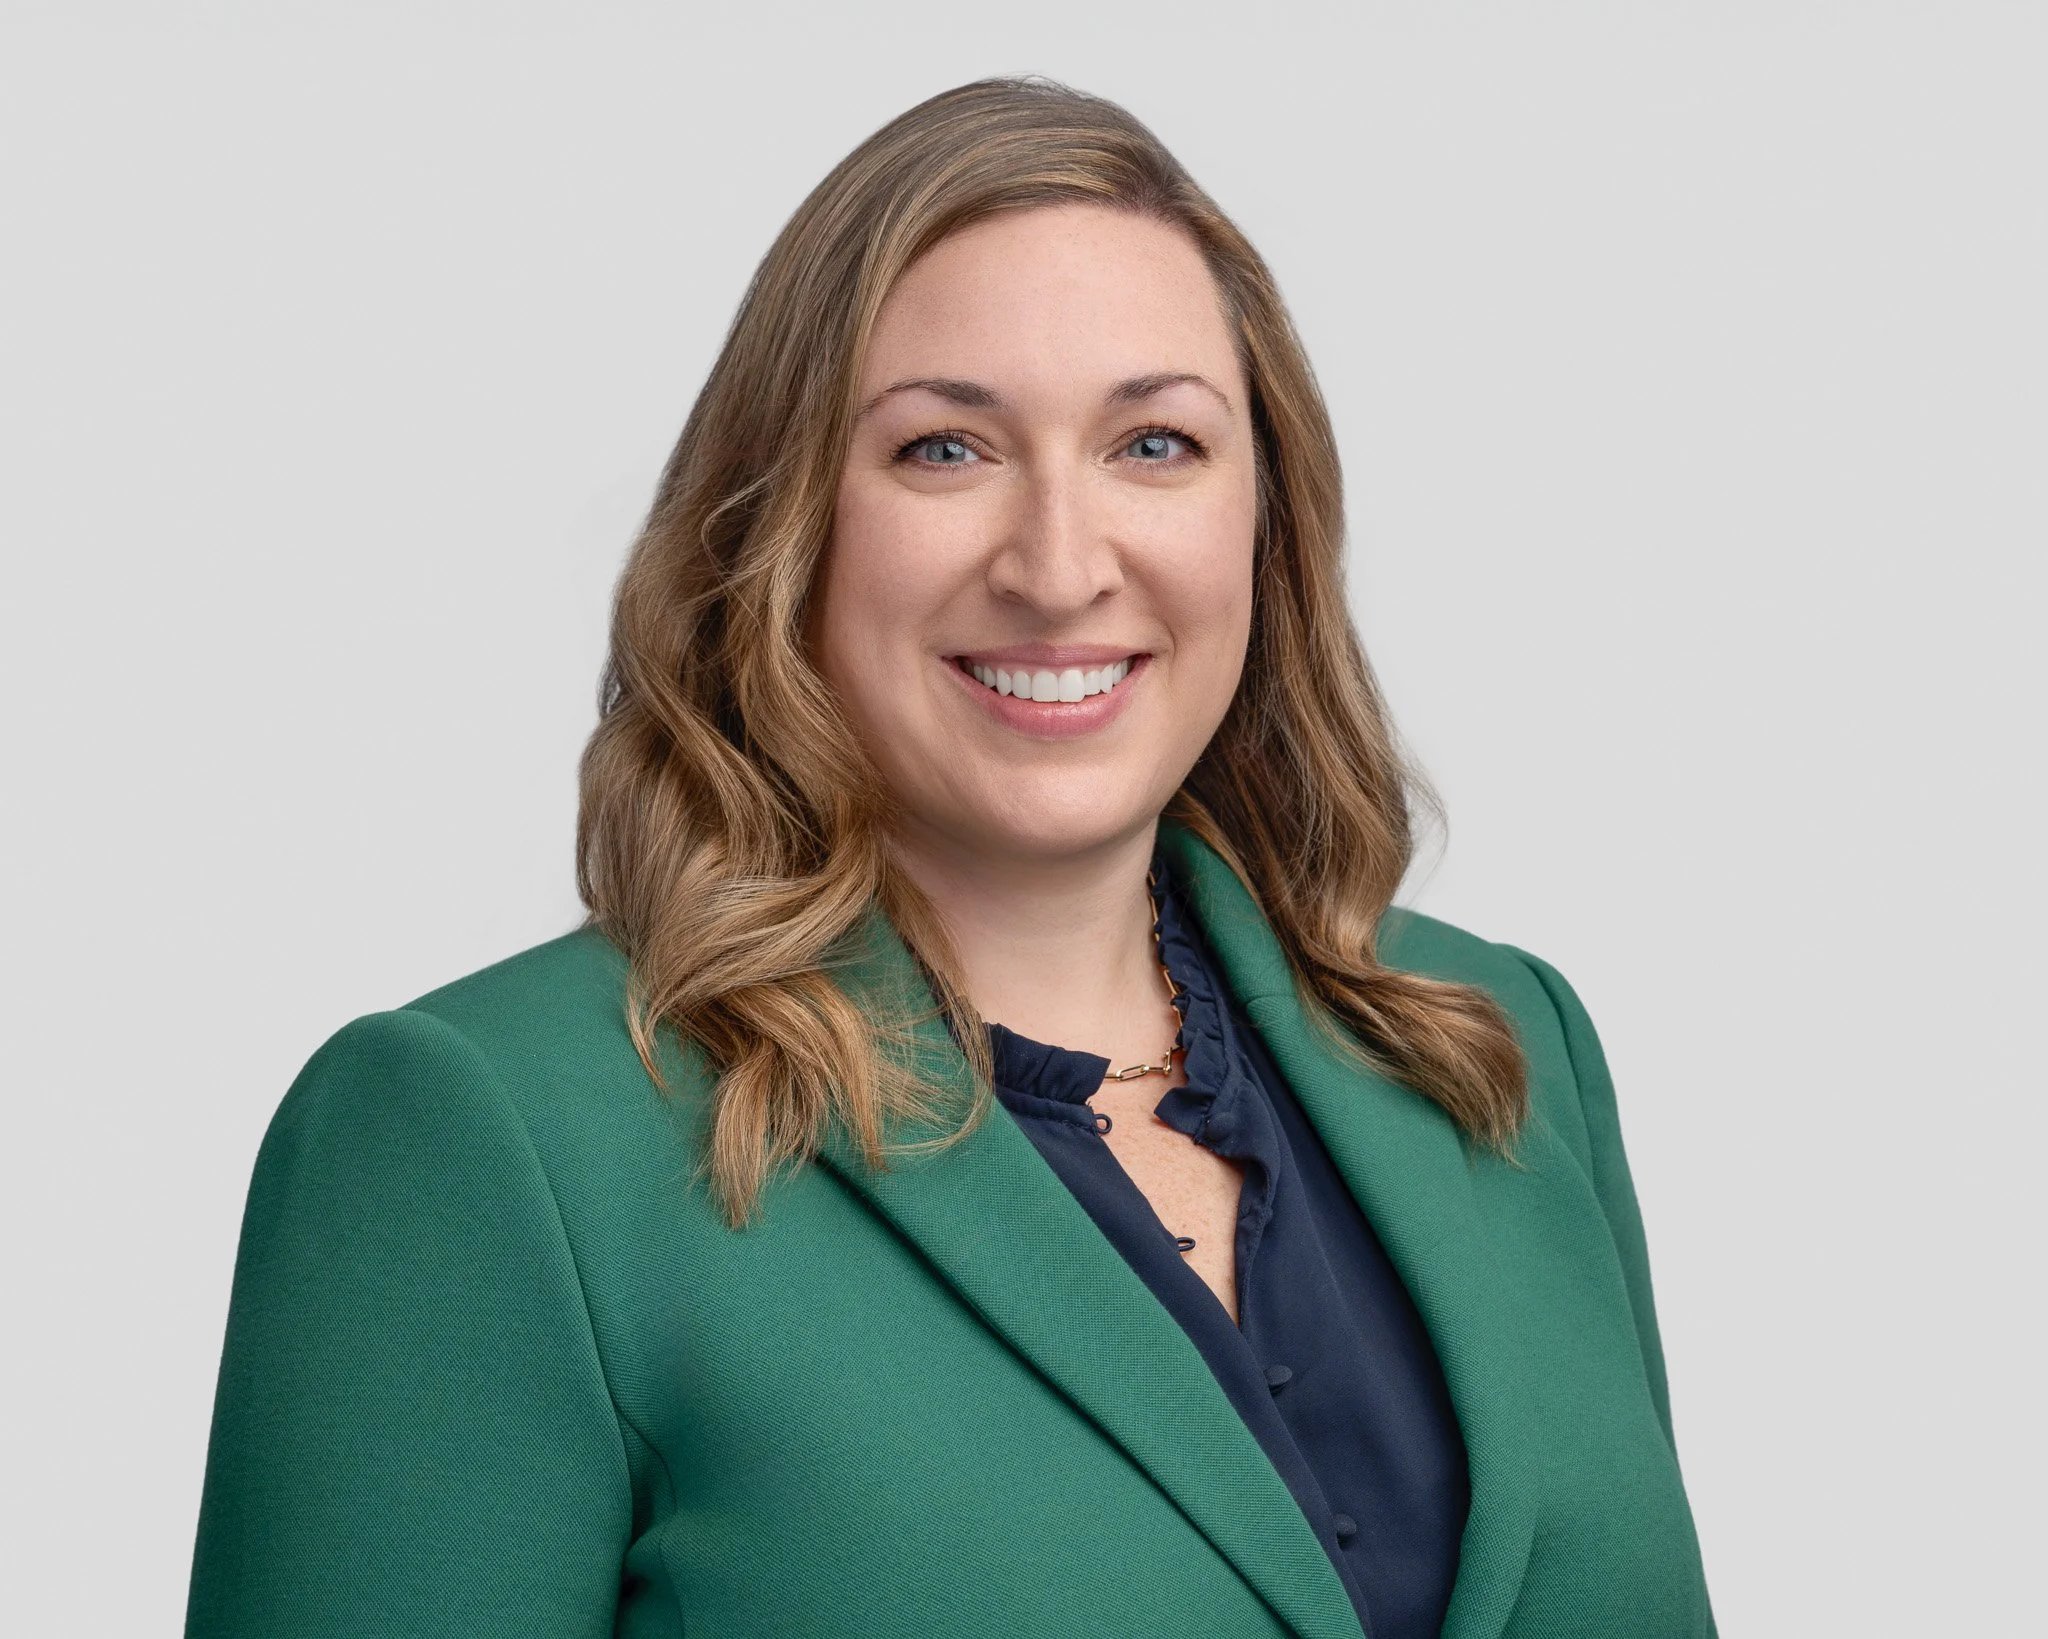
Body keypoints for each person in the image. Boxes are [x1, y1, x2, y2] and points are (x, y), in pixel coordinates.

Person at [185, 77, 1715, 1639]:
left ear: (1267, 516)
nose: (1060, 565)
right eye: (945, 450)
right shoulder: (487, 1141)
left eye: (1156, 441)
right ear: (781, 523)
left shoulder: (1504, 1054)